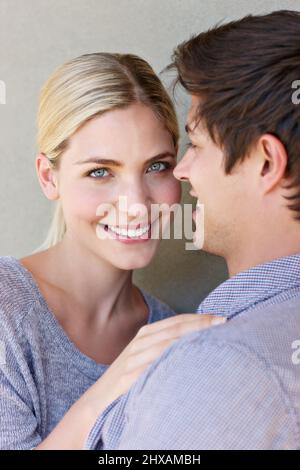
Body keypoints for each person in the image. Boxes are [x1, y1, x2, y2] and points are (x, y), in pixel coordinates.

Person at [84, 10, 300, 450]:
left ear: (265, 163)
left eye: (195, 145)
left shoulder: (222, 368)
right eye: (101, 171)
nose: (182, 171)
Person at [0, 53, 223, 450]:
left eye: (157, 166)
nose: (136, 203)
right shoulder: (7, 310)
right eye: (100, 172)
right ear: (49, 178)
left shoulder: (169, 330)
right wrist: (108, 391)